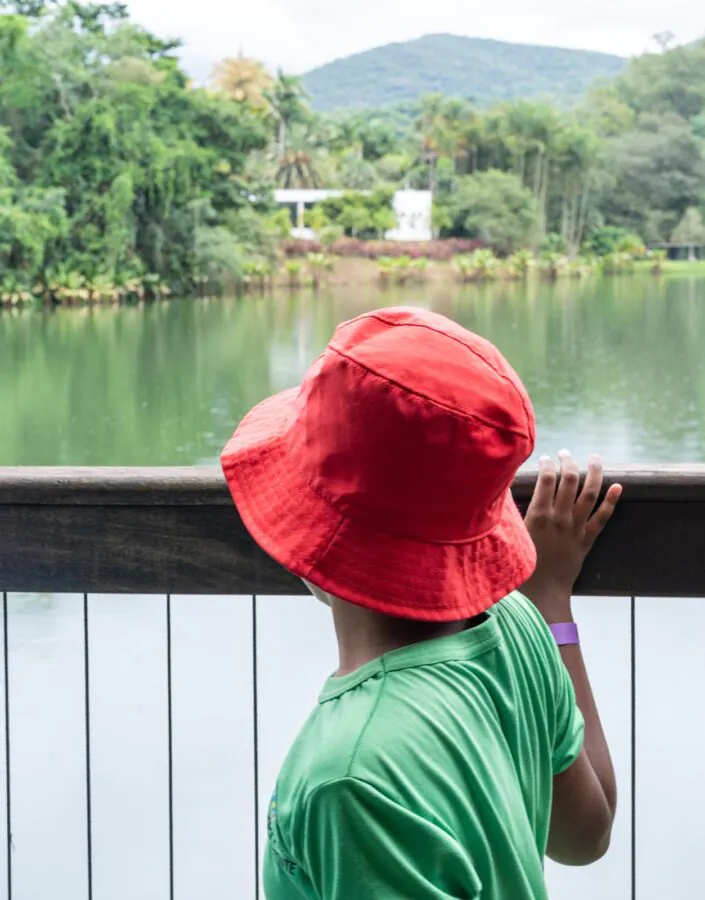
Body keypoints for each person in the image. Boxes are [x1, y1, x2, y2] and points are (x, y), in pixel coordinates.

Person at [222, 307, 621, 900]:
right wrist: (548, 604)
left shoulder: (348, 778)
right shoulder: (518, 625)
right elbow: (585, 835)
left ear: (311, 536)